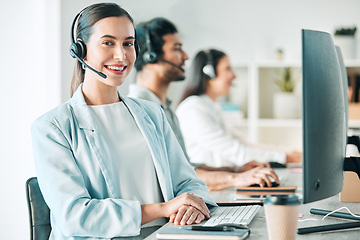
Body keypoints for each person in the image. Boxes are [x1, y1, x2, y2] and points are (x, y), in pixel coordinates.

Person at [31, 4, 216, 239]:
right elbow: (76, 216)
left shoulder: (152, 114)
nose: (121, 55)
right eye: (108, 43)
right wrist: (161, 209)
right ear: (81, 50)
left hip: (167, 234)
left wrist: (191, 205)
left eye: (128, 43)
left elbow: (189, 182)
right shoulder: (52, 127)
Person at [128, 17, 280, 191]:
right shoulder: (140, 109)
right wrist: (234, 178)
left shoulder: (165, 108)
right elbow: (173, 175)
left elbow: (186, 166)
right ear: (150, 56)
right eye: (177, 49)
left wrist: (235, 169)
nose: (185, 56)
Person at [176, 49, 302, 168]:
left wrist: (290, 151)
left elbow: (244, 144)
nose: (234, 76)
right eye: (228, 69)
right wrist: (287, 157)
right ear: (209, 74)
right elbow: (237, 153)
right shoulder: (193, 109)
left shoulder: (211, 106)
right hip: (209, 187)